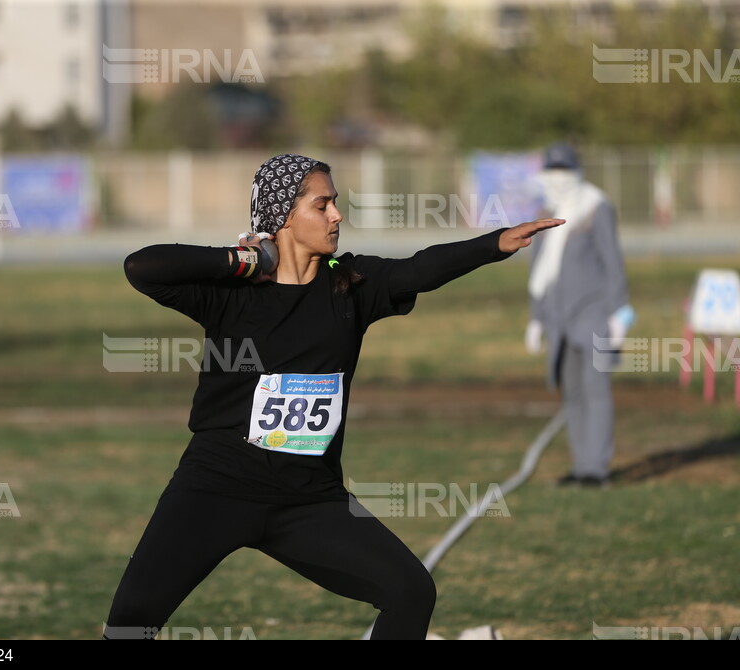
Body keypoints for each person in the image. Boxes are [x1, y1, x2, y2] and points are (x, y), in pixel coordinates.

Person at [105, 153, 563, 640]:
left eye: (335, 204)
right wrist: (240, 261)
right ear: (283, 215)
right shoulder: (232, 292)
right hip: (215, 487)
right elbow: (143, 266)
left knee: (411, 591)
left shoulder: (349, 283)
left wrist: (493, 243)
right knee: (131, 622)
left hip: (308, 500)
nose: (337, 215)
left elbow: (419, 270)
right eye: (322, 205)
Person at [525, 143, 633, 488]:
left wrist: (619, 312)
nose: (558, 179)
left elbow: (613, 263)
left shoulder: (595, 208)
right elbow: (539, 268)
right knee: (570, 392)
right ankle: (580, 464)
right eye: (552, 172)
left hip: (594, 316)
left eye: (564, 172)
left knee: (595, 391)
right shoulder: (546, 209)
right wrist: (537, 317)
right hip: (558, 319)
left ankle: (595, 468)